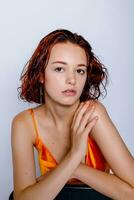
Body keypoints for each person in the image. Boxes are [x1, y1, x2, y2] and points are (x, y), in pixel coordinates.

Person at [11, 29, 134, 200]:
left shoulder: (92, 113)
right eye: (60, 69)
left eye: (80, 70)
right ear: (41, 75)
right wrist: (74, 156)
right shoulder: (24, 123)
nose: (72, 80)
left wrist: (77, 168)